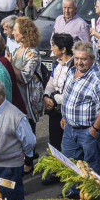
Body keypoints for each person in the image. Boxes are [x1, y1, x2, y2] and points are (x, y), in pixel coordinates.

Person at [59, 41, 100, 178]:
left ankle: (90, 195)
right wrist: (65, 116)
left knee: (89, 165)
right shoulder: (72, 71)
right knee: (69, 161)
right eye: (76, 58)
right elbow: (69, 97)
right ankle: (74, 191)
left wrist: (94, 129)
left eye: (83, 59)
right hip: (69, 128)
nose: (79, 62)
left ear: (92, 59)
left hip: (87, 130)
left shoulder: (99, 79)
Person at [10, 17, 44, 172]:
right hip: (19, 96)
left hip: (29, 98)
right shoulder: (18, 50)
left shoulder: (32, 53)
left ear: (23, 33)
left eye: (15, 30)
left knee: (29, 128)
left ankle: (29, 162)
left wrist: (10, 65)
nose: (12, 33)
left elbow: (24, 77)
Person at [41, 32, 76, 180]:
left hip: (67, 109)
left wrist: (54, 100)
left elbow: (71, 91)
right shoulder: (58, 64)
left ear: (63, 49)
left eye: (54, 45)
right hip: (55, 108)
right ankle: (57, 169)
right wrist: (46, 96)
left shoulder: (74, 66)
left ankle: (69, 171)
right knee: (54, 140)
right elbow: (51, 81)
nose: (51, 48)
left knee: (67, 142)